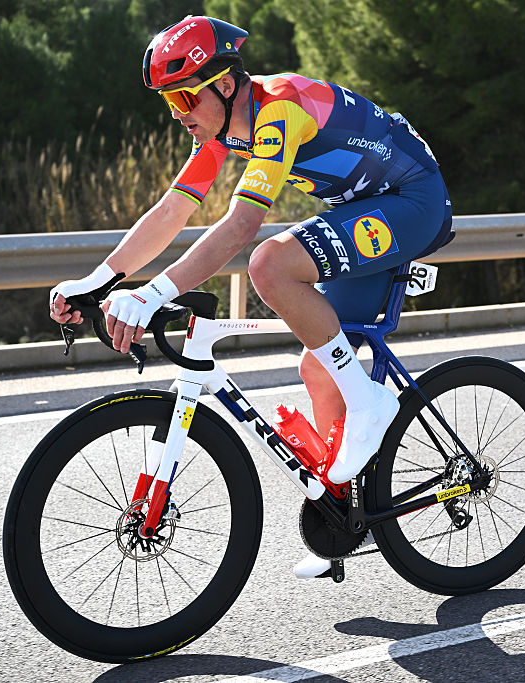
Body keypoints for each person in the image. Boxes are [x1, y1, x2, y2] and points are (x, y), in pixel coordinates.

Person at [48, 16, 453, 578]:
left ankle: (373, 405)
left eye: (185, 97)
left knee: (269, 263)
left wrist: (155, 293)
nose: (180, 115)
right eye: (170, 104)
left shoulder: (278, 107)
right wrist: (99, 280)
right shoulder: (224, 131)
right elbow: (173, 211)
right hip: (367, 207)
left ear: (224, 83)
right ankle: (341, 522)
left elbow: (241, 227)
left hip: (413, 200)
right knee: (319, 369)